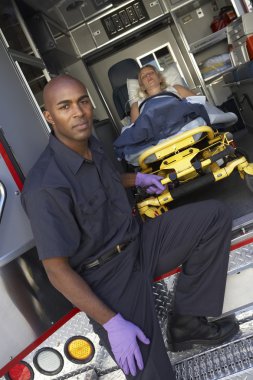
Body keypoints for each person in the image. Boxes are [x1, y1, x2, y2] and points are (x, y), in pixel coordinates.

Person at [21, 74, 239, 380]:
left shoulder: (89, 144)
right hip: (108, 277)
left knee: (214, 217)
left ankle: (186, 324)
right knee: (154, 375)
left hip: (140, 241)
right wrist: (112, 323)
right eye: (65, 106)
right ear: (49, 116)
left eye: (83, 101)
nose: (79, 112)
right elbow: (57, 272)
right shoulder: (45, 187)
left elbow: (104, 180)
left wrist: (137, 179)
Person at [130, 64, 196, 123]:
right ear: (142, 86)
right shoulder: (136, 106)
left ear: (160, 79)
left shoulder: (177, 89)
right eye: (143, 76)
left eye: (151, 72)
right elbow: (135, 131)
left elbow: (200, 103)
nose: (148, 75)